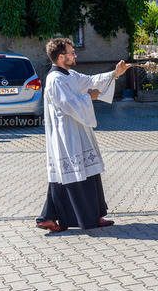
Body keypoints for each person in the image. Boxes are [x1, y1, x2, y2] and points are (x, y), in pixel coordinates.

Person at [36, 38, 131, 232]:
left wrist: (115, 73)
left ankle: (54, 217)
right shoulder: (55, 79)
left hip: (77, 131)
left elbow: (92, 81)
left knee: (77, 173)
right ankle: (82, 218)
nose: (75, 55)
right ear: (61, 57)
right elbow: (69, 105)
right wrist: (90, 97)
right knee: (70, 174)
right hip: (66, 135)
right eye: (72, 53)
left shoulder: (69, 74)